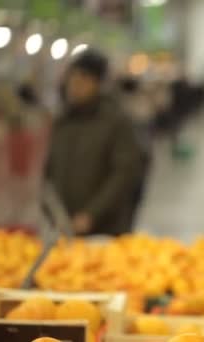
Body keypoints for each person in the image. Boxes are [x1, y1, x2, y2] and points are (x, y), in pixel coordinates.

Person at [45, 50, 143, 236]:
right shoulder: (62, 121)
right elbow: (51, 169)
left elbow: (124, 173)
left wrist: (92, 214)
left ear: (98, 84)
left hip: (106, 228)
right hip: (66, 225)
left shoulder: (115, 122)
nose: (75, 86)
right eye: (72, 79)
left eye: (83, 80)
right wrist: (53, 211)